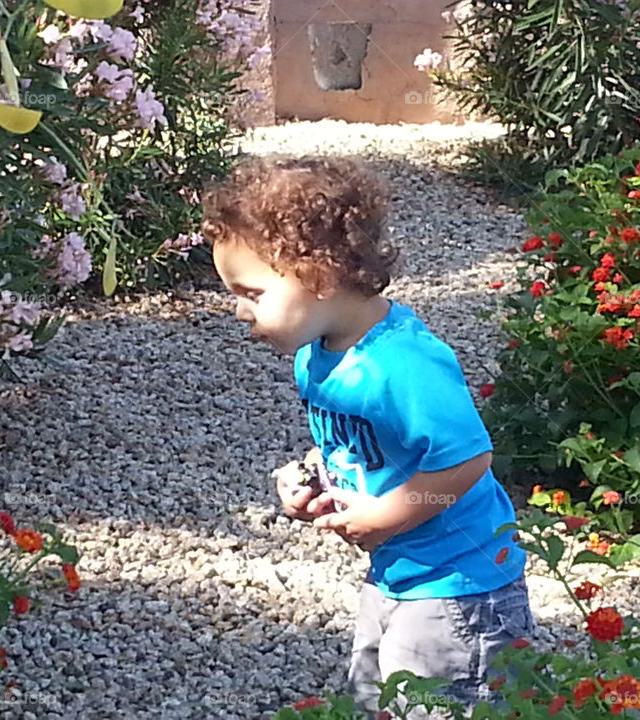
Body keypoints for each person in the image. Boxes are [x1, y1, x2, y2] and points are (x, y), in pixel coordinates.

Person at [201, 156, 534, 717]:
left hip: (460, 584)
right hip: (397, 574)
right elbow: (359, 444)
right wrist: (314, 475)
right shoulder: (317, 355)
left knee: (440, 703)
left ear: (319, 277)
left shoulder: (401, 365)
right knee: (377, 698)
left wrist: (386, 517)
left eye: (252, 292)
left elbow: (468, 461)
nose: (239, 311)